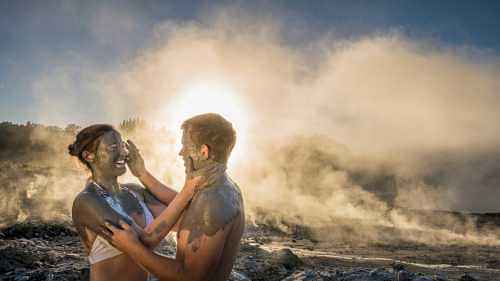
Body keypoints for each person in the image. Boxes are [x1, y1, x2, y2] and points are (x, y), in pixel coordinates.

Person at [105, 113, 245, 281]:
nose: (181, 152)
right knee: (138, 191)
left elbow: (190, 277)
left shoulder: (212, 201)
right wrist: (141, 173)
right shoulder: (220, 185)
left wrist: (132, 247)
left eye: (185, 146)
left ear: (203, 151)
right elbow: (182, 204)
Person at [69, 124, 206, 281]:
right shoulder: (87, 201)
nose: (122, 153)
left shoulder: (135, 192)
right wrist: (188, 190)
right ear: (89, 156)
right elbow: (144, 242)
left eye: (122, 146)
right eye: (113, 147)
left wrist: (142, 174)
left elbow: (191, 216)